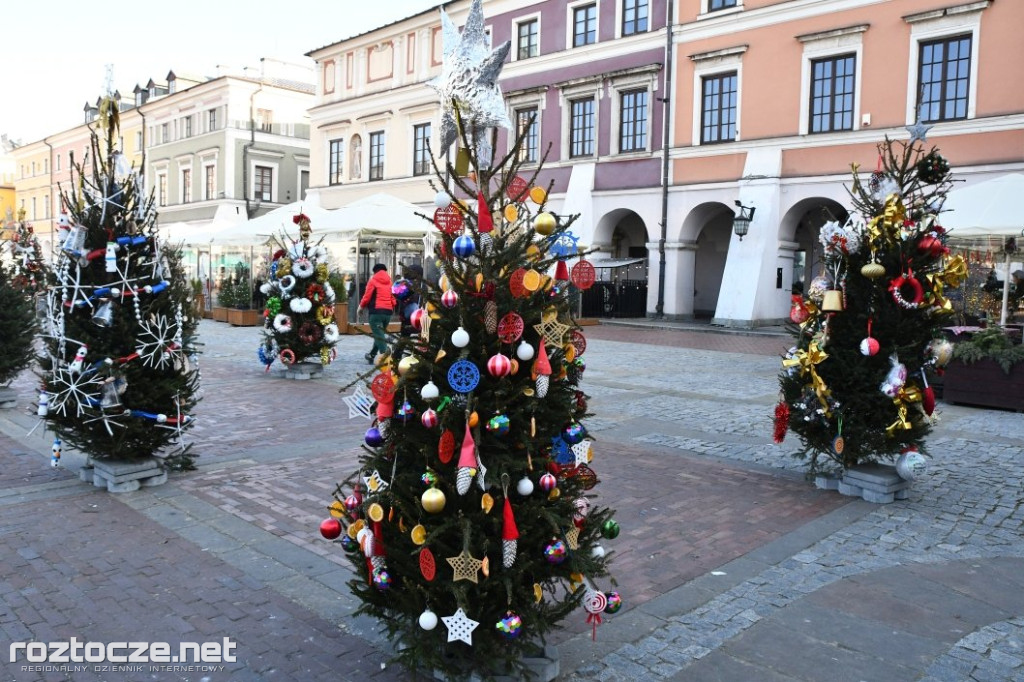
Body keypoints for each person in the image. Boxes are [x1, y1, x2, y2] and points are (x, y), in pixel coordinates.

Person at [358, 264, 395, 364]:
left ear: (375, 271)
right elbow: (393, 298)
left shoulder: (373, 281)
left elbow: (367, 296)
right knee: (379, 334)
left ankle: (386, 357)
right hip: (388, 313)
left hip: (376, 313)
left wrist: (360, 307)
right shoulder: (389, 282)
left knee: (379, 335)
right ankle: (372, 355)